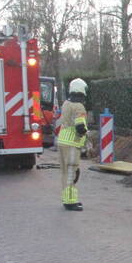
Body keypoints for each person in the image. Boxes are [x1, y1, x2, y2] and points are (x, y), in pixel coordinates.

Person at [56, 78, 88, 211]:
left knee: (65, 172)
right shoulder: (78, 106)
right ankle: (70, 202)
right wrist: (87, 134)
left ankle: (66, 199)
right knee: (72, 172)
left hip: (63, 141)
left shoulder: (66, 103)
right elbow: (80, 127)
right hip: (72, 143)